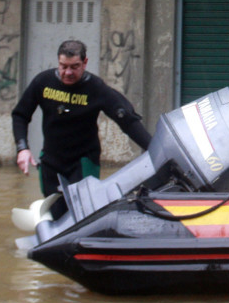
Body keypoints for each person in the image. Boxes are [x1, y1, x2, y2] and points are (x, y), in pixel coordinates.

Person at [12, 39, 151, 217]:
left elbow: (128, 121)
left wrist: (153, 147)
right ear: (58, 62)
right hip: (51, 161)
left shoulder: (96, 88)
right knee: (55, 213)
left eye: (74, 67)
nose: (68, 72)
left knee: (81, 213)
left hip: (83, 162)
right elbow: (20, 115)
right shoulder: (43, 82)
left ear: (85, 63)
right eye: (63, 66)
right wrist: (22, 148)